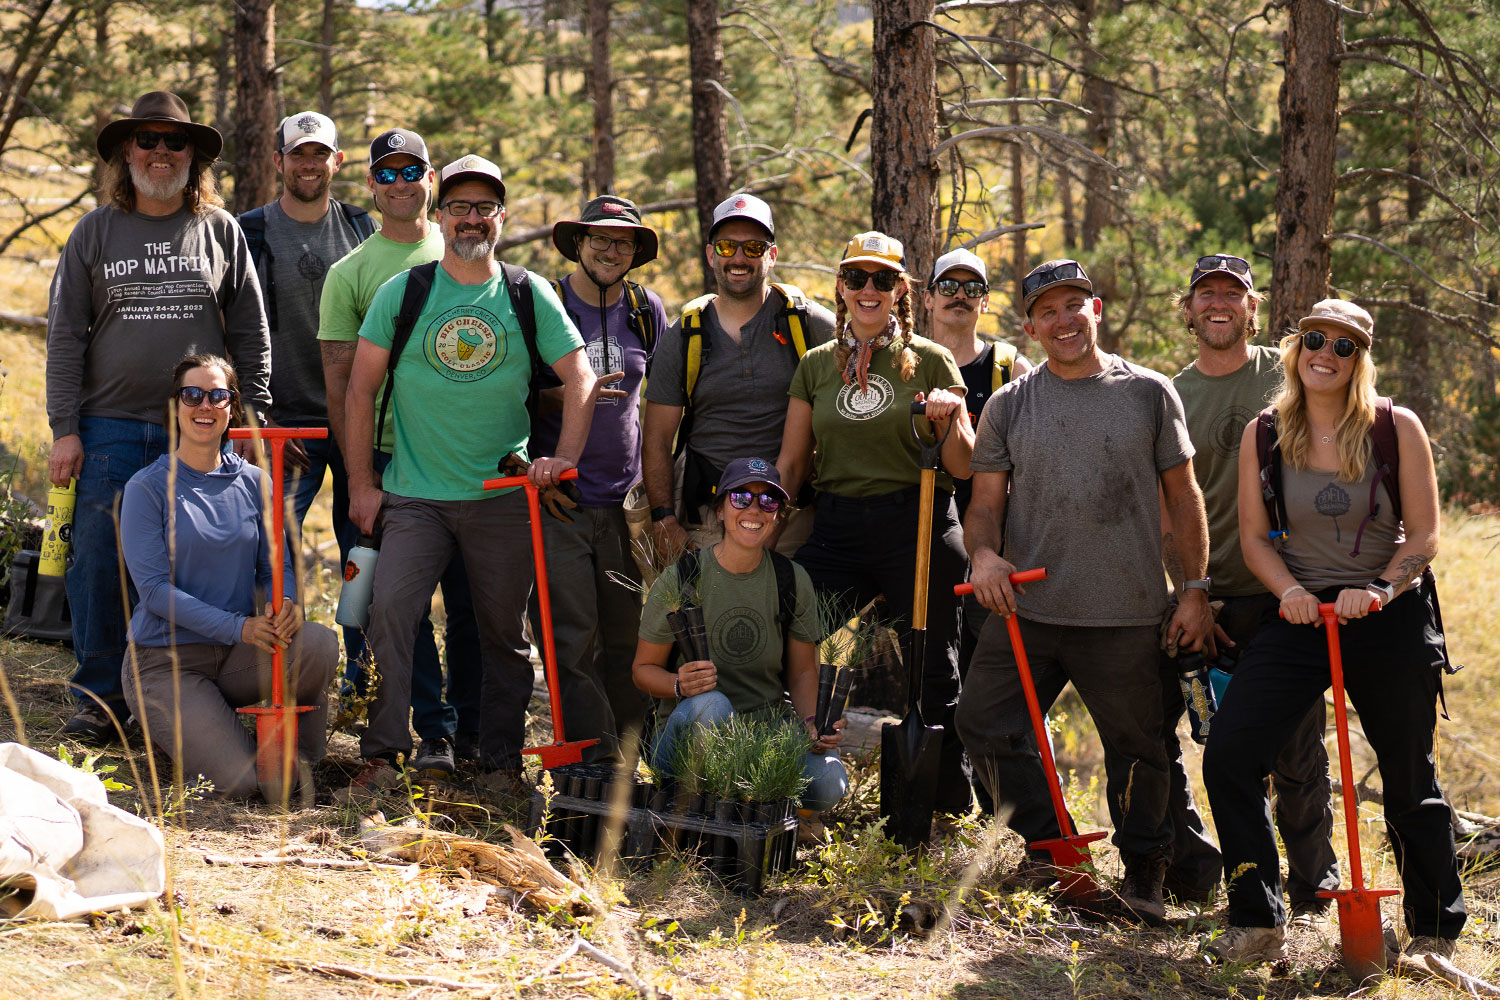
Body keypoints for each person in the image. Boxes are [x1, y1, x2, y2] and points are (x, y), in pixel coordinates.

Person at [1203, 299, 1464, 964]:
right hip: (1298, 614)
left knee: (1410, 775)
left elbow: (1425, 534)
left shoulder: (1394, 427)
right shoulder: (1265, 432)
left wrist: (1379, 588)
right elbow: (1256, 538)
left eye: (1343, 346)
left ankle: (1433, 933)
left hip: (1387, 611)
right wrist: (1288, 591)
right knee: (1230, 754)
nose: (1326, 352)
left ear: (1359, 360)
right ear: (1296, 347)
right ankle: (1258, 920)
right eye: (1315, 339)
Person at [955, 259, 1213, 923]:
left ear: (1095, 309)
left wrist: (1193, 591)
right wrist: (984, 555)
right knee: (983, 723)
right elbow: (984, 504)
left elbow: (1184, 498)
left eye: (1075, 305)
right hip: (1027, 611)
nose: (1064, 320)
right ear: (1030, 325)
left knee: (1141, 751)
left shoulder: (1149, 392)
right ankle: (1053, 849)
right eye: (1048, 311)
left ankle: (1146, 873)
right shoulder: (1012, 404)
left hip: (1126, 615)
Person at [344, 154, 594, 794]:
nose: (471, 218)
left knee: (501, 636)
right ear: (442, 214)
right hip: (412, 496)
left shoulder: (526, 292)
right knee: (391, 613)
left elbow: (581, 378)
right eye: (459, 207)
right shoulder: (404, 293)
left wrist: (562, 460)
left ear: (501, 217)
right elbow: (359, 391)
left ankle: (501, 762)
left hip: (501, 497)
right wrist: (362, 485)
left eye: (484, 208)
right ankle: (384, 753)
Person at [45, 91, 271, 745]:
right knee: (96, 563)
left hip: (197, 428)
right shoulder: (94, 232)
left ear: (193, 156)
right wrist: (65, 427)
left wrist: (250, 418)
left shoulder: (220, 230)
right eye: (148, 140)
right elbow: (65, 336)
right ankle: (99, 699)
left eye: (175, 142)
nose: (161, 152)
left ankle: (181, 691)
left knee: (198, 565)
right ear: (126, 152)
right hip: (110, 424)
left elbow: (252, 331)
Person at [776, 231, 975, 815]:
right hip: (837, 526)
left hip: (916, 522)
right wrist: (764, 524)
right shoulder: (816, 366)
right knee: (799, 634)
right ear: (840, 287)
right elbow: (792, 462)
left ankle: (942, 806)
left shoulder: (933, 360)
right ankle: (800, 782)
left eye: (883, 280)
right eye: (857, 278)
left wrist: (949, 417)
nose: (869, 290)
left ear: (900, 291)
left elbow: (963, 463)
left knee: (932, 668)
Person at [1160, 253, 1337, 911]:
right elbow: (1163, 501)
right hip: (1204, 596)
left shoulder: (1287, 374)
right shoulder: (1172, 393)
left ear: (1252, 308)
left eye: (1231, 295)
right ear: (1189, 309)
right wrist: (1189, 590)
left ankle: (1315, 884)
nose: (1218, 305)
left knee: (1297, 751)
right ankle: (1218, 880)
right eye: (1206, 294)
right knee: (1212, 747)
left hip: (1284, 594)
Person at [317, 128, 482, 770]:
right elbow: (341, 388)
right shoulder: (349, 275)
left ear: (432, 178)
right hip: (387, 460)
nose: (400, 183)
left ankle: (473, 735)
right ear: (369, 186)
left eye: (411, 170)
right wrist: (359, 477)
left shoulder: (469, 249)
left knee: (471, 604)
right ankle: (423, 729)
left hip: (466, 457)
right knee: (394, 604)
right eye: (385, 173)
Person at [119, 354, 337, 802]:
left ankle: (303, 770)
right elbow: (155, 592)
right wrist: (238, 626)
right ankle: (184, 733)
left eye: (218, 395)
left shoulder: (255, 481)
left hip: (237, 652)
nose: (205, 405)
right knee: (242, 786)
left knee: (318, 644)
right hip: (166, 662)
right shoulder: (147, 487)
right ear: (175, 406)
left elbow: (272, 564)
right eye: (192, 394)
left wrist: (288, 602)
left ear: (233, 407)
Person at [532, 195, 668, 763]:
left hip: (626, 505)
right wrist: (572, 393)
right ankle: (592, 770)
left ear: (635, 252)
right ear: (578, 244)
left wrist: (662, 502)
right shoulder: (546, 302)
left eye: (623, 242)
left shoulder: (646, 309)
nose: (611, 251)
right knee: (570, 641)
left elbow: (663, 402)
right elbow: (515, 390)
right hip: (561, 501)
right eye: (600, 239)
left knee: (629, 639)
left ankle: (638, 763)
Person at [632, 458, 848, 813]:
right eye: (741, 498)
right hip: (689, 735)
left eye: (768, 502)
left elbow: (803, 672)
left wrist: (814, 724)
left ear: (779, 515)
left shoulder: (791, 580)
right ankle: (700, 802)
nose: (754, 509)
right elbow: (642, 670)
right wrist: (678, 685)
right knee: (712, 705)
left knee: (829, 784)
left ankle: (744, 798)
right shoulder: (683, 577)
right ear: (720, 511)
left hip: (763, 738)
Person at [642, 193, 834, 557]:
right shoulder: (683, 336)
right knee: (715, 613)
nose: (739, 258)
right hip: (710, 515)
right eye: (728, 246)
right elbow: (656, 436)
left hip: (795, 513)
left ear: (772, 256)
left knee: (791, 610)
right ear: (712, 254)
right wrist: (665, 518)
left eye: (754, 248)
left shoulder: (809, 324)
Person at [923, 248, 1032, 805]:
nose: (959, 295)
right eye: (949, 285)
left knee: (988, 666)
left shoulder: (1008, 367)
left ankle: (1002, 800)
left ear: (985, 301)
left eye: (972, 287)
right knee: (936, 664)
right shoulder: (908, 361)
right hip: (926, 534)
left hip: (994, 537)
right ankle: (948, 794)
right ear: (928, 296)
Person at [240, 111, 374, 542]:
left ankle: (356, 615)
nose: (309, 163)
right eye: (299, 153)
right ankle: (280, 613)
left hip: (357, 419)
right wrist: (257, 416)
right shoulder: (249, 232)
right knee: (269, 545)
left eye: (320, 153)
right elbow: (226, 330)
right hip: (284, 424)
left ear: (338, 161)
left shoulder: (361, 229)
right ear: (279, 162)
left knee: (367, 546)